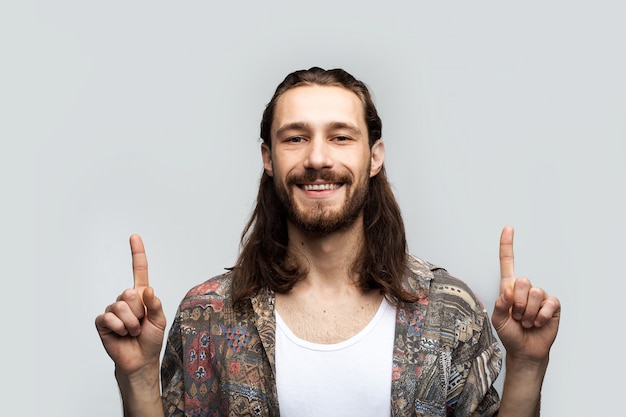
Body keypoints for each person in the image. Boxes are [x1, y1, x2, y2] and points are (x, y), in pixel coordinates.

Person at [96, 67, 561, 417]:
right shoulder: (207, 313)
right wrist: (137, 378)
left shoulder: (449, 309)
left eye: (341, 137)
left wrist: (526, 364)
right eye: (296, 138)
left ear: (374, 156)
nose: (318, 158)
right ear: (269, 158)